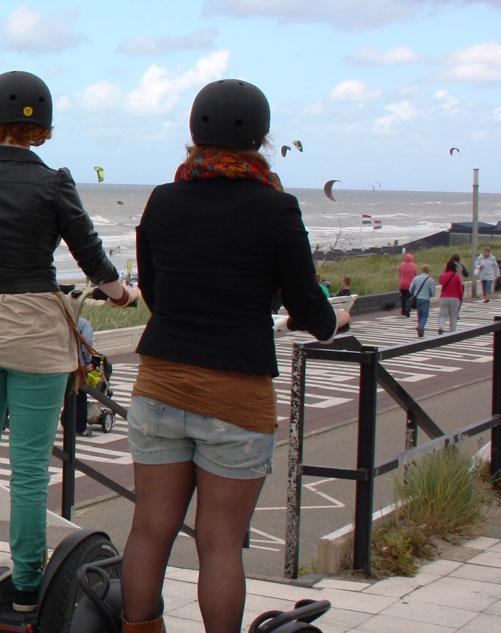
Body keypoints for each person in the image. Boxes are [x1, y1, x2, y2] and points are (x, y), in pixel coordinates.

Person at [122, 79, 346, 633]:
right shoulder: (276, 208)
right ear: (262, 140)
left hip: (160, 383)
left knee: (150, 529)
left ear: (194, 132)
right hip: (236, 393)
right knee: (220, 544)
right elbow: (307, 303)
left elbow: (152, 288)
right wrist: (332, 320)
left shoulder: (164, 200)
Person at [0, 70, 129, 613]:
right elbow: (91, 256)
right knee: (28, 464)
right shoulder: (54, 182)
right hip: (35, 331)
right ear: (41, 126)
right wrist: (121, 294)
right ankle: (28, 582)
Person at [409, 264, 437, 338]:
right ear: (428, 271)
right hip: (425, 300)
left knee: (419, 315)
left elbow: (410, 289)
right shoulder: (431, 280)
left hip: (417, 299)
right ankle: (421, 327)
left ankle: (420, 332)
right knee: (425, 315)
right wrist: (429, 294)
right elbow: (433, 293)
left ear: (422, 270)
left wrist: (414, 293)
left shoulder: (416, 278)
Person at [438, 259, 464, 335]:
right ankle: (452, 331)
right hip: (455, 298)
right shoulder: (457, 277)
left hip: (444, 298)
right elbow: (460, 289)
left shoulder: (443, 276)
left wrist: (444, 271)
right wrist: (460, 297)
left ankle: (441, 327)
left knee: (442, 315)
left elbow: (440, 281)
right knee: (453, 316)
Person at [397, 252, 417, 317]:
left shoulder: (401, 265)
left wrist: (401, 280)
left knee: (402, 298)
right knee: (409, 298)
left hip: (402, 285)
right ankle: (407, 309)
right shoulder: (414, 266)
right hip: (410, 285)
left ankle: (403, 310)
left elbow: (399, 274)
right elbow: (415, 275)